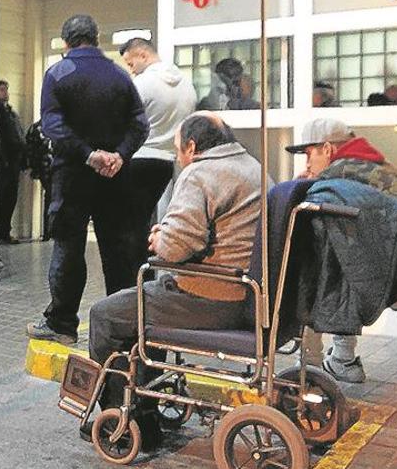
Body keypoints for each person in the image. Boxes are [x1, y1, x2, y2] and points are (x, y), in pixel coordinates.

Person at [88, 112, 265, 450]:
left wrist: (159, 238)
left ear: (192, 147)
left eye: (178, 150)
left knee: (105, 315)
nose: (178, 158)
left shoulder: (201, 173)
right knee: (142, 312)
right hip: (245, 293)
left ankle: (121, 418)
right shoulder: (255, 168)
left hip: (210, 296)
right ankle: (146, 410)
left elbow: (174, 248)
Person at [287, 118, 397, 382]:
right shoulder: (367, 165)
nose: (306, 163)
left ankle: (315, 365)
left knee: (315, 268)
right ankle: (342, 360)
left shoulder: (343, 171)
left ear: (327, 149)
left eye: (308, 153)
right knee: (341, 258)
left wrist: (300, 187)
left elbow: (306, 215)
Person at [25, 14, 148, 345]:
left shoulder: (58, 74)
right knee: (117, 251)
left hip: (72, 176)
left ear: (66, 42)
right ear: (96, 37)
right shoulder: (120, 76)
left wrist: (87, 154)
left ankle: (62, 323)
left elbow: (53, 127)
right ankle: (122, 329)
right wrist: (119, 155)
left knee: (68, 247)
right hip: (115, 176)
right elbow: (139, 124)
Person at [118, 37, 197, 267]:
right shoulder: (186, 83)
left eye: (130, 63)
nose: (130, 69)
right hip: (171, 162)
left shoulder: (141, 84)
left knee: (134, 229)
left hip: (140, 160)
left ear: (143, 55)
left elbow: (123, 120)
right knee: (162, 224)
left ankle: (136, 283)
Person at [0, 79, 25, 244]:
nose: (5, 93)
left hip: (13, 162)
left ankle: (4, 231)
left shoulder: (10, 112)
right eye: (1, 90)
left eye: (6, 89)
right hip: (2, 162)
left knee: (9, 199)